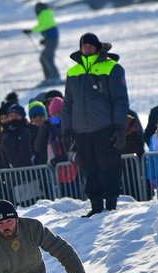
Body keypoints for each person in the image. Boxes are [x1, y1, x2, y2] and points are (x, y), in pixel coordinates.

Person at [62, 32, 129, 216]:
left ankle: (111, 203)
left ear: (97, 47)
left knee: (109, 166)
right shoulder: (72, 72)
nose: (87, 48)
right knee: (89, 168)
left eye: (90, 45)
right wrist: (66, 129)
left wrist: (119, 126)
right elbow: (68, 104)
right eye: (84, 46)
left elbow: (120, 100)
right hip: (81, 132)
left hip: (105, 128)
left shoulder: (112, 68)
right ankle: (96, 205)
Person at [23, 2, 60, 86]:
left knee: (47, 58)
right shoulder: (46, 13)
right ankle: (49, 78)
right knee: (44, 58)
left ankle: (55, 78)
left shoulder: (44, 13)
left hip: (52, 38)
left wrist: (31, 31)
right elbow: (47, 26)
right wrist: (45, 40)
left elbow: (43, 26)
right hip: (51, 38)